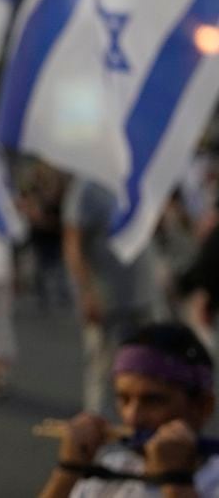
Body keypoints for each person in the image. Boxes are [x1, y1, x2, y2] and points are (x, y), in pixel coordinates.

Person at [38, 322, 219, 498]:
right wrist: (68, 471)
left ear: (202, 406)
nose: (132, 417)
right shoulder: (111, 469)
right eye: (124, 399)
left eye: (153, 400)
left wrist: (176, 482)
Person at [62, 177, 158, 413]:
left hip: (140, 296)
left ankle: (139, 424)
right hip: (106, 298)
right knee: (101, 367)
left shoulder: (137, 180)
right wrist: (86, 293)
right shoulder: (87, 187)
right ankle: (96, 425)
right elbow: (72, 244)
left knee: (146, 367)